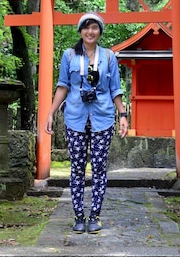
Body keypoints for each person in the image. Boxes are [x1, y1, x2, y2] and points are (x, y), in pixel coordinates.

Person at [45, 12, 128, 234]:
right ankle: (79, 216)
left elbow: (115, 89)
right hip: (75, 117)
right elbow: (63, 85)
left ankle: (95, 216)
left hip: (102, 117)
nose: (90, 32)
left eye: (95, 28)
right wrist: (51, 113)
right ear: (80, 30)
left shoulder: (109, 57)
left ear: (100, 31)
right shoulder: (69, 55)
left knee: (100, 167)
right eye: (86, 28)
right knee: (77, 168)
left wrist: (122, 115)